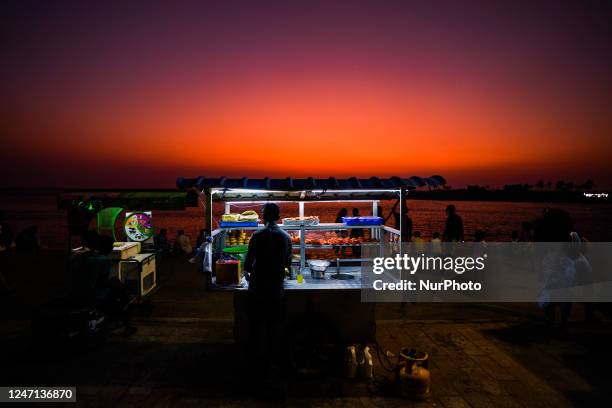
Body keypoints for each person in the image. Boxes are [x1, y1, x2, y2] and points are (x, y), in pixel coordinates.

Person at [243, 203, 292, 380]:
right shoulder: (286, 237)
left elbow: (248, 264)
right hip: (276, 291)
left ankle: (256, 369)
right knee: (274, 330)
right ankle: (273, 368)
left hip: (257, 290)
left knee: (256, 329)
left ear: (263, 217)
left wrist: (248, 273)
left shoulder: (257, 235)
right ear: (278, 216)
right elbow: (288, 263)